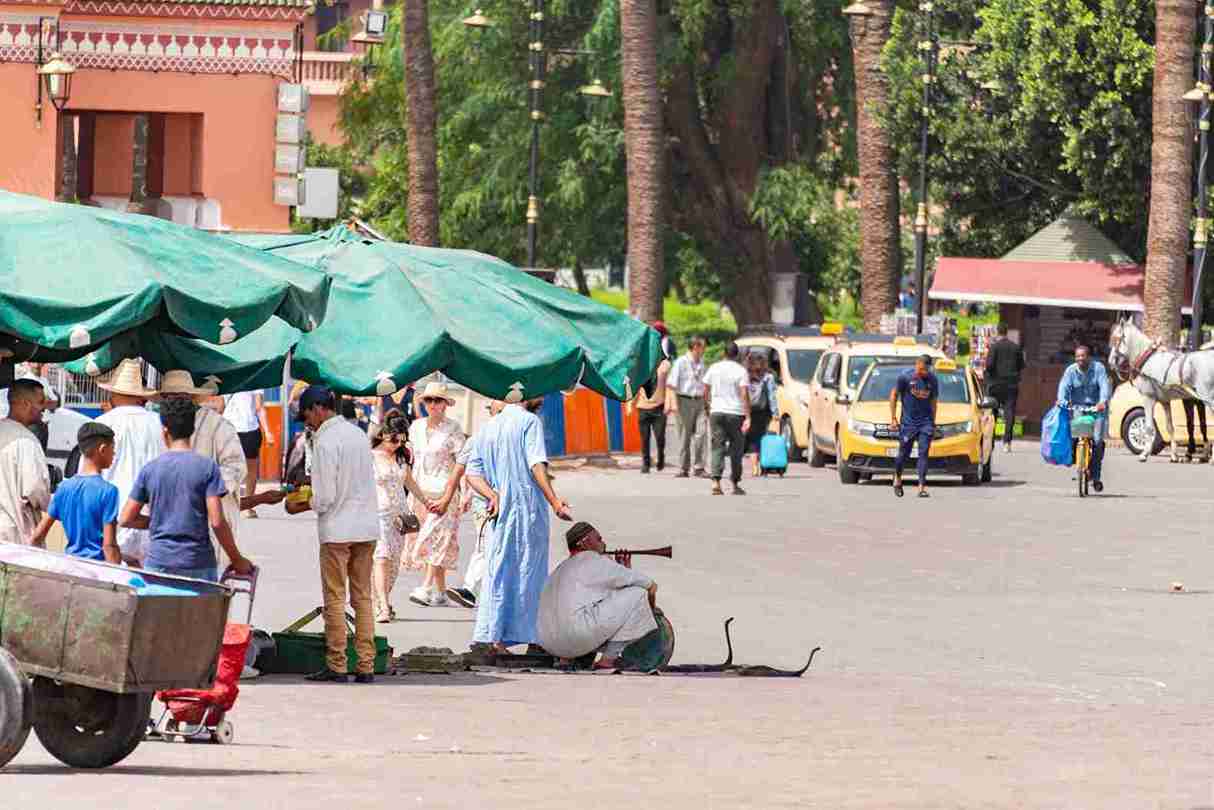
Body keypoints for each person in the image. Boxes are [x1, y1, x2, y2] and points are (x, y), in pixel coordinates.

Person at [285, 385, 379, 684]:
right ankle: (366, 664)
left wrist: (300, 503)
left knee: (335, 598)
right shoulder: (358, 435)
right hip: (365, 527)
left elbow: (325, 498)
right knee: (363, 598)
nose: (307, 423)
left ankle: (337, 663)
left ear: (317, 409)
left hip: (337, 529)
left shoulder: (325, 442)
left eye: (307, 416)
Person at [465, 397, 573, 654]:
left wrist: (492, 495)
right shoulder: (529, 422)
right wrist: (555, 501)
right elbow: (536, 464)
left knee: (499, 570)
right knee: (529, 572)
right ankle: (534, 638)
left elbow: (472, 473)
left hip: (500, 513)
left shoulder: (487, 428)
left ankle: (495, 638)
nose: (542, 397)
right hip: (526, 509)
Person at [119, 397, 253, 581]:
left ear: (164, 431)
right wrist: (237, 559)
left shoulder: (150, 470)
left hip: (159, 562)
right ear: (191, 429)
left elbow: (126, 518)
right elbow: (217, 522)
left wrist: (159, 524)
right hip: (198, 564)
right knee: (200, 611)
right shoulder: (207, 468)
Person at [159, 371, 250, 570]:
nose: (173, 401)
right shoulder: (157, 424)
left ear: (191, 397)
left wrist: (206, 491)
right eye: (168, 397)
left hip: (209, 526)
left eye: (178, 397)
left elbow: (235, 467)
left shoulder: (218, 425)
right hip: (169, 531)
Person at [537, 522, 659, 670]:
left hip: (549, 643)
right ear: (586, 542)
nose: (604, 543)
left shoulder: (560, 568)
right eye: (599, 539)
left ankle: (565, 660)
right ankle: (607, 661)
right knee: (639, 594)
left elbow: (601, 595)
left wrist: (621, 569)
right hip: (575, 637)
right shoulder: (595, 560)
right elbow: (650, 586)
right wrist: (651, 611)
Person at [95, 359, 164, 566]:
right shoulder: (160, 424)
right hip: (150, 524)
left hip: (110, 527)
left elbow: (88, 476)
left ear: (114, 394)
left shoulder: (100, 425)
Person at [404, 382, 467, 607]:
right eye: (429, 400)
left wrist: (466, 492)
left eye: (437, 400)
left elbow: (462, 463)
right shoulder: (416, 427)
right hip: (420, 492)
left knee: (437, 538)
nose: (433, 405)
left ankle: (426, 586)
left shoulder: (454, 428)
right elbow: (410, 460)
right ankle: (440, 592)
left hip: (444, 491)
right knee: (427, 538)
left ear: (445, 404)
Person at [30, 423, 121, 563]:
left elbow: (37, 536)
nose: (114, 454)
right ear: (102, 449)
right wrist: (118, 575)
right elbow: (109, 546)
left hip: (70, 565)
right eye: (112, 449)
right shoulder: (109, 491)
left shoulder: (64, 488)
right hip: (98, 568)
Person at [370, 409, 430, 622]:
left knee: (394, 563)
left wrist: (425, 502)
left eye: (401, 441)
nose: (397, 444)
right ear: (383, 434)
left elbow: (410, 482)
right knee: (382, 557)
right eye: (394, 439)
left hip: (400, 518)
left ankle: (380, 600)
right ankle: (383, 607)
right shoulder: (371, 457)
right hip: (378, 515)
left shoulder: (402, 457)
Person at [445, 399, 505, 609]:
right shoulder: (479, 438)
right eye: (498, 412)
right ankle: (470, 589)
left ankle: (487, 590)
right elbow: (463, 470)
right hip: (485, 502)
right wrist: (454, 497)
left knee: (497, 547)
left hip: (509, 500)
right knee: (486, 545)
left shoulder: (516, 437)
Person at [0, 379, 51, 545]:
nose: (44, 407)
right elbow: (36, 490)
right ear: (25, 404)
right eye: (40, 402)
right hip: (14, 536)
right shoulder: (26, 441)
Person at [1057, 344, 1112, 492]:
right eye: (1078, 356)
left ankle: (1096, 476)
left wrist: (1103, 401)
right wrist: (1061, 400)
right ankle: (1076, 461)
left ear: (1089, 357)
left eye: (1083, 356)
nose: (1080, 359)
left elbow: (1104, 387)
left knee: (1098, 440)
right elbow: (1064, 386)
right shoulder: (1070, 371)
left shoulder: (1098, 368)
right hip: (1078, 408)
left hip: (1096, 409)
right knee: (1074, 436)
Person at [702, 341, 752, 496]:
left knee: (717, 447)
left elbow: (705, 389)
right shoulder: (741, 371)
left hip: (716, 412)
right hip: (735, 413)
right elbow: (744, 394)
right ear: (736, 355)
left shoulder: (714, 368)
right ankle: (735, 483)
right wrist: (748, 416)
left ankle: (716, 481)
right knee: (736, 450)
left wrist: (707, 407)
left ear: (724, 353)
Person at [889, 355, 939, 499]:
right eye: (922, 369)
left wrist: (933, 423)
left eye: (927, 370)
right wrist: (893, 418)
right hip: (908, 423)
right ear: (917, 364)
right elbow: (893, 395)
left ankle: (921, 487)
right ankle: (897, 477)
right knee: (903, 455)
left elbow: (934, 402)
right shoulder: (905, 377)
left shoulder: (932, 380)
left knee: (923, 453)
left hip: (926, 422)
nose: (924, 372)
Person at [223, 389, 275, 519]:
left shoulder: (228, 375)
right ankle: (248, 508)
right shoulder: (257, 379)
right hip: (249, 428)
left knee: (228, 469)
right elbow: (259, 407)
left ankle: (229, 506)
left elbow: (219, 405)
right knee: (251, 470)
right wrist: (268, 431)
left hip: (228, 427)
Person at [667, 336, 708, 478]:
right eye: (703, 346)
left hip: (700, 401)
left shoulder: (702, 363)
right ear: (695, 347)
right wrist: (672, 404)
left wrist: (707, 402)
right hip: (683, 401)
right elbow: (671, 385)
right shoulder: (681, 363)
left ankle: (699, 467)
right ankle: (683, 468)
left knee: (701, 434)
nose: (704, 349)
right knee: (684, 436)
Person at [635, 326, 672, 475]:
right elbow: (635, 385)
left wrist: (669, 403)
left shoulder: (666, 365)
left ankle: (661, 456)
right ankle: (645, 464)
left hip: (659, 407)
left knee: (660, 438)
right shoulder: (641, 365)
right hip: (643, 406)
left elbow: (670, 386)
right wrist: (630, 404)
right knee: (644, 439)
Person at [984, 323, 1025, 452]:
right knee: (1009, 412)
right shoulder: (1016, 347)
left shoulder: (994, 347)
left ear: (997, 332)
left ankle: (991, 440)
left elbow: (989, 365)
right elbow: (1021, 365)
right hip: (1011, 384)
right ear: (1006, 332)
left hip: (995, 384)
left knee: (992, 412)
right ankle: (1007, 442)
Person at [744, 350, 777, 477]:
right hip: (763, 412)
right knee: (761, 439)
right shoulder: (768, 377)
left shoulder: (746, 375)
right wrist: (775, 413)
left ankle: (754, 468)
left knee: (752, 439)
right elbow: (771, 396)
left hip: (748, 410)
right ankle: (763, 466)